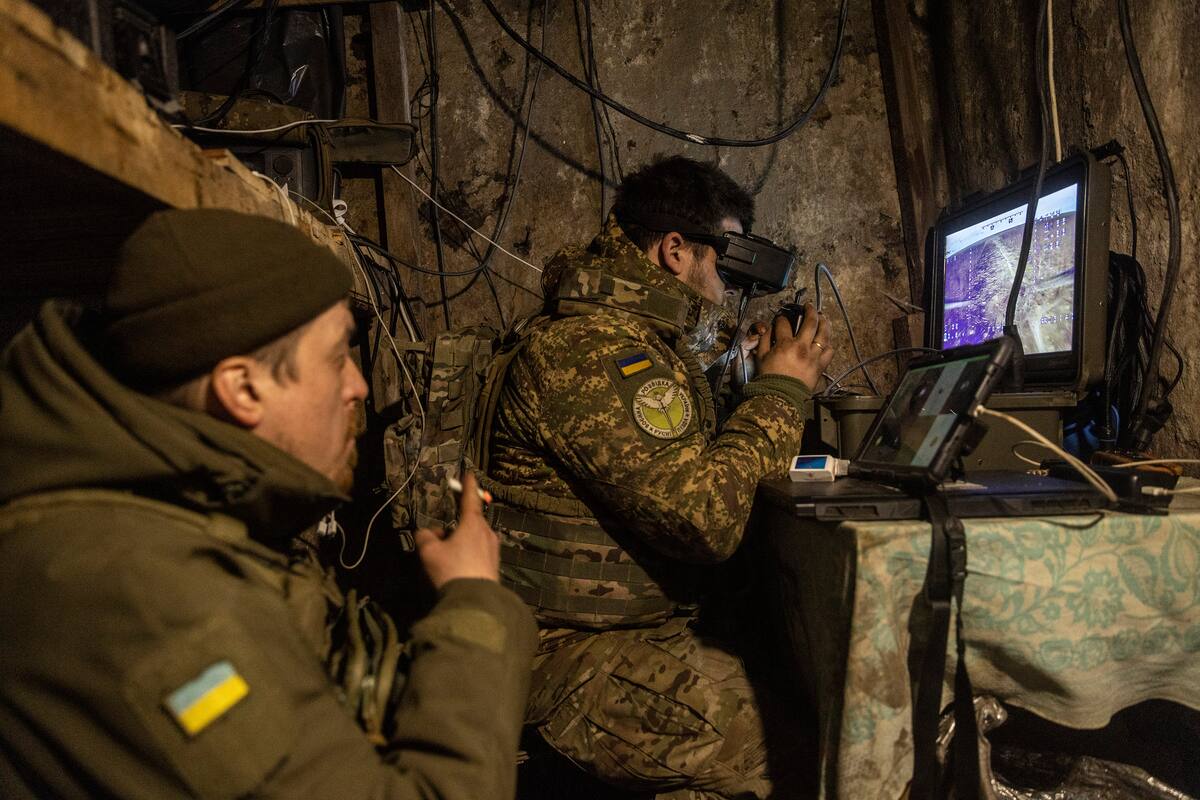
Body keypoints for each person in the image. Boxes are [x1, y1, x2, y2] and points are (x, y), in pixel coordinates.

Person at [0, 208, 537, 798]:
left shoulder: (175, 500)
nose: (358, 386)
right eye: (337, 357)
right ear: (243, 388)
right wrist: (477, 606)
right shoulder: (138, 595)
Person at [481, 155, 836, 798]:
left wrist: (739, 376)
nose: (728, 293)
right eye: (724, 270)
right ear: (676, 251)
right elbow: (704, 522)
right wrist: (781, 394)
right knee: (798, 754)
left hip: (626, 631)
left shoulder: (634, 341)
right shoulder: (590, 350)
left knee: (801, 684)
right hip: (563, 655)